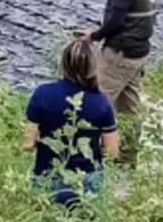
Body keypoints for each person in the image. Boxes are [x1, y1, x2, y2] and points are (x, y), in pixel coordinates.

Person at [79, 0, 157, 166]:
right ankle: (127, 159)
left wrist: (93, 36)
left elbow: (115, 21)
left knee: (95, 103)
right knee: (130, 110)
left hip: (120, 54)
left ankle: (87, 160)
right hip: (139, 52)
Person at [23, 39, 119, 207]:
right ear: (93, 67)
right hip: (86, 182)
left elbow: (27, 144)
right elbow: (112, 152)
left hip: (47, 177)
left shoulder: (42, 94)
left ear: (64, 64)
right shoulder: (103, 103)